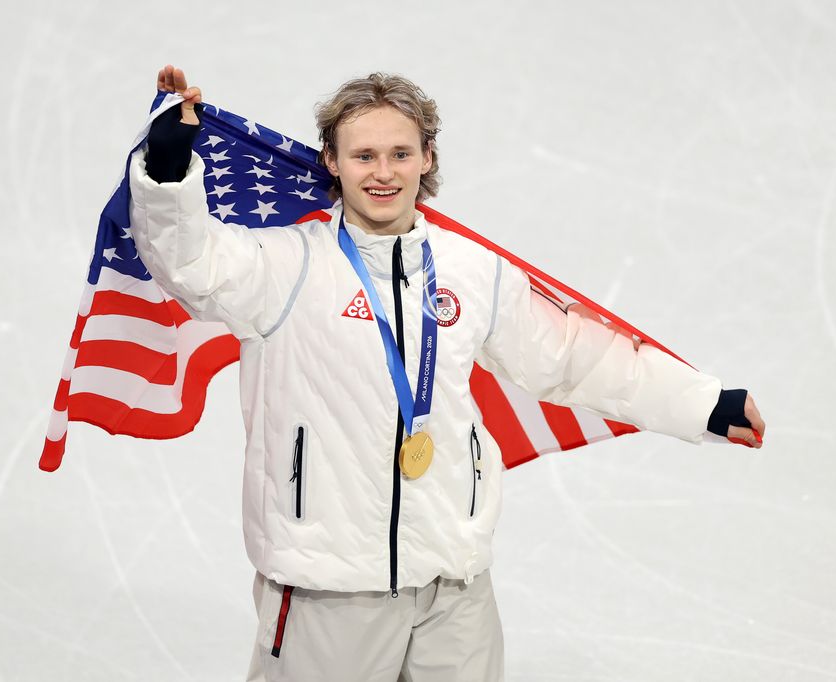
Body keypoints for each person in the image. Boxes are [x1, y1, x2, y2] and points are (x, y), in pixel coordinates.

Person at [128, 64, 766, 682]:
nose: (383, 173)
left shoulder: (472, 270)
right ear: (332, 161)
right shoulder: (284, 266)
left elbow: (573, 356)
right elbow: (189, 263)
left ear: (426, 158)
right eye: (364, 155)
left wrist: (701, 403)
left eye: (400, 154)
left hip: (454, 583)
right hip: (330, 585)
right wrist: (169, 163)